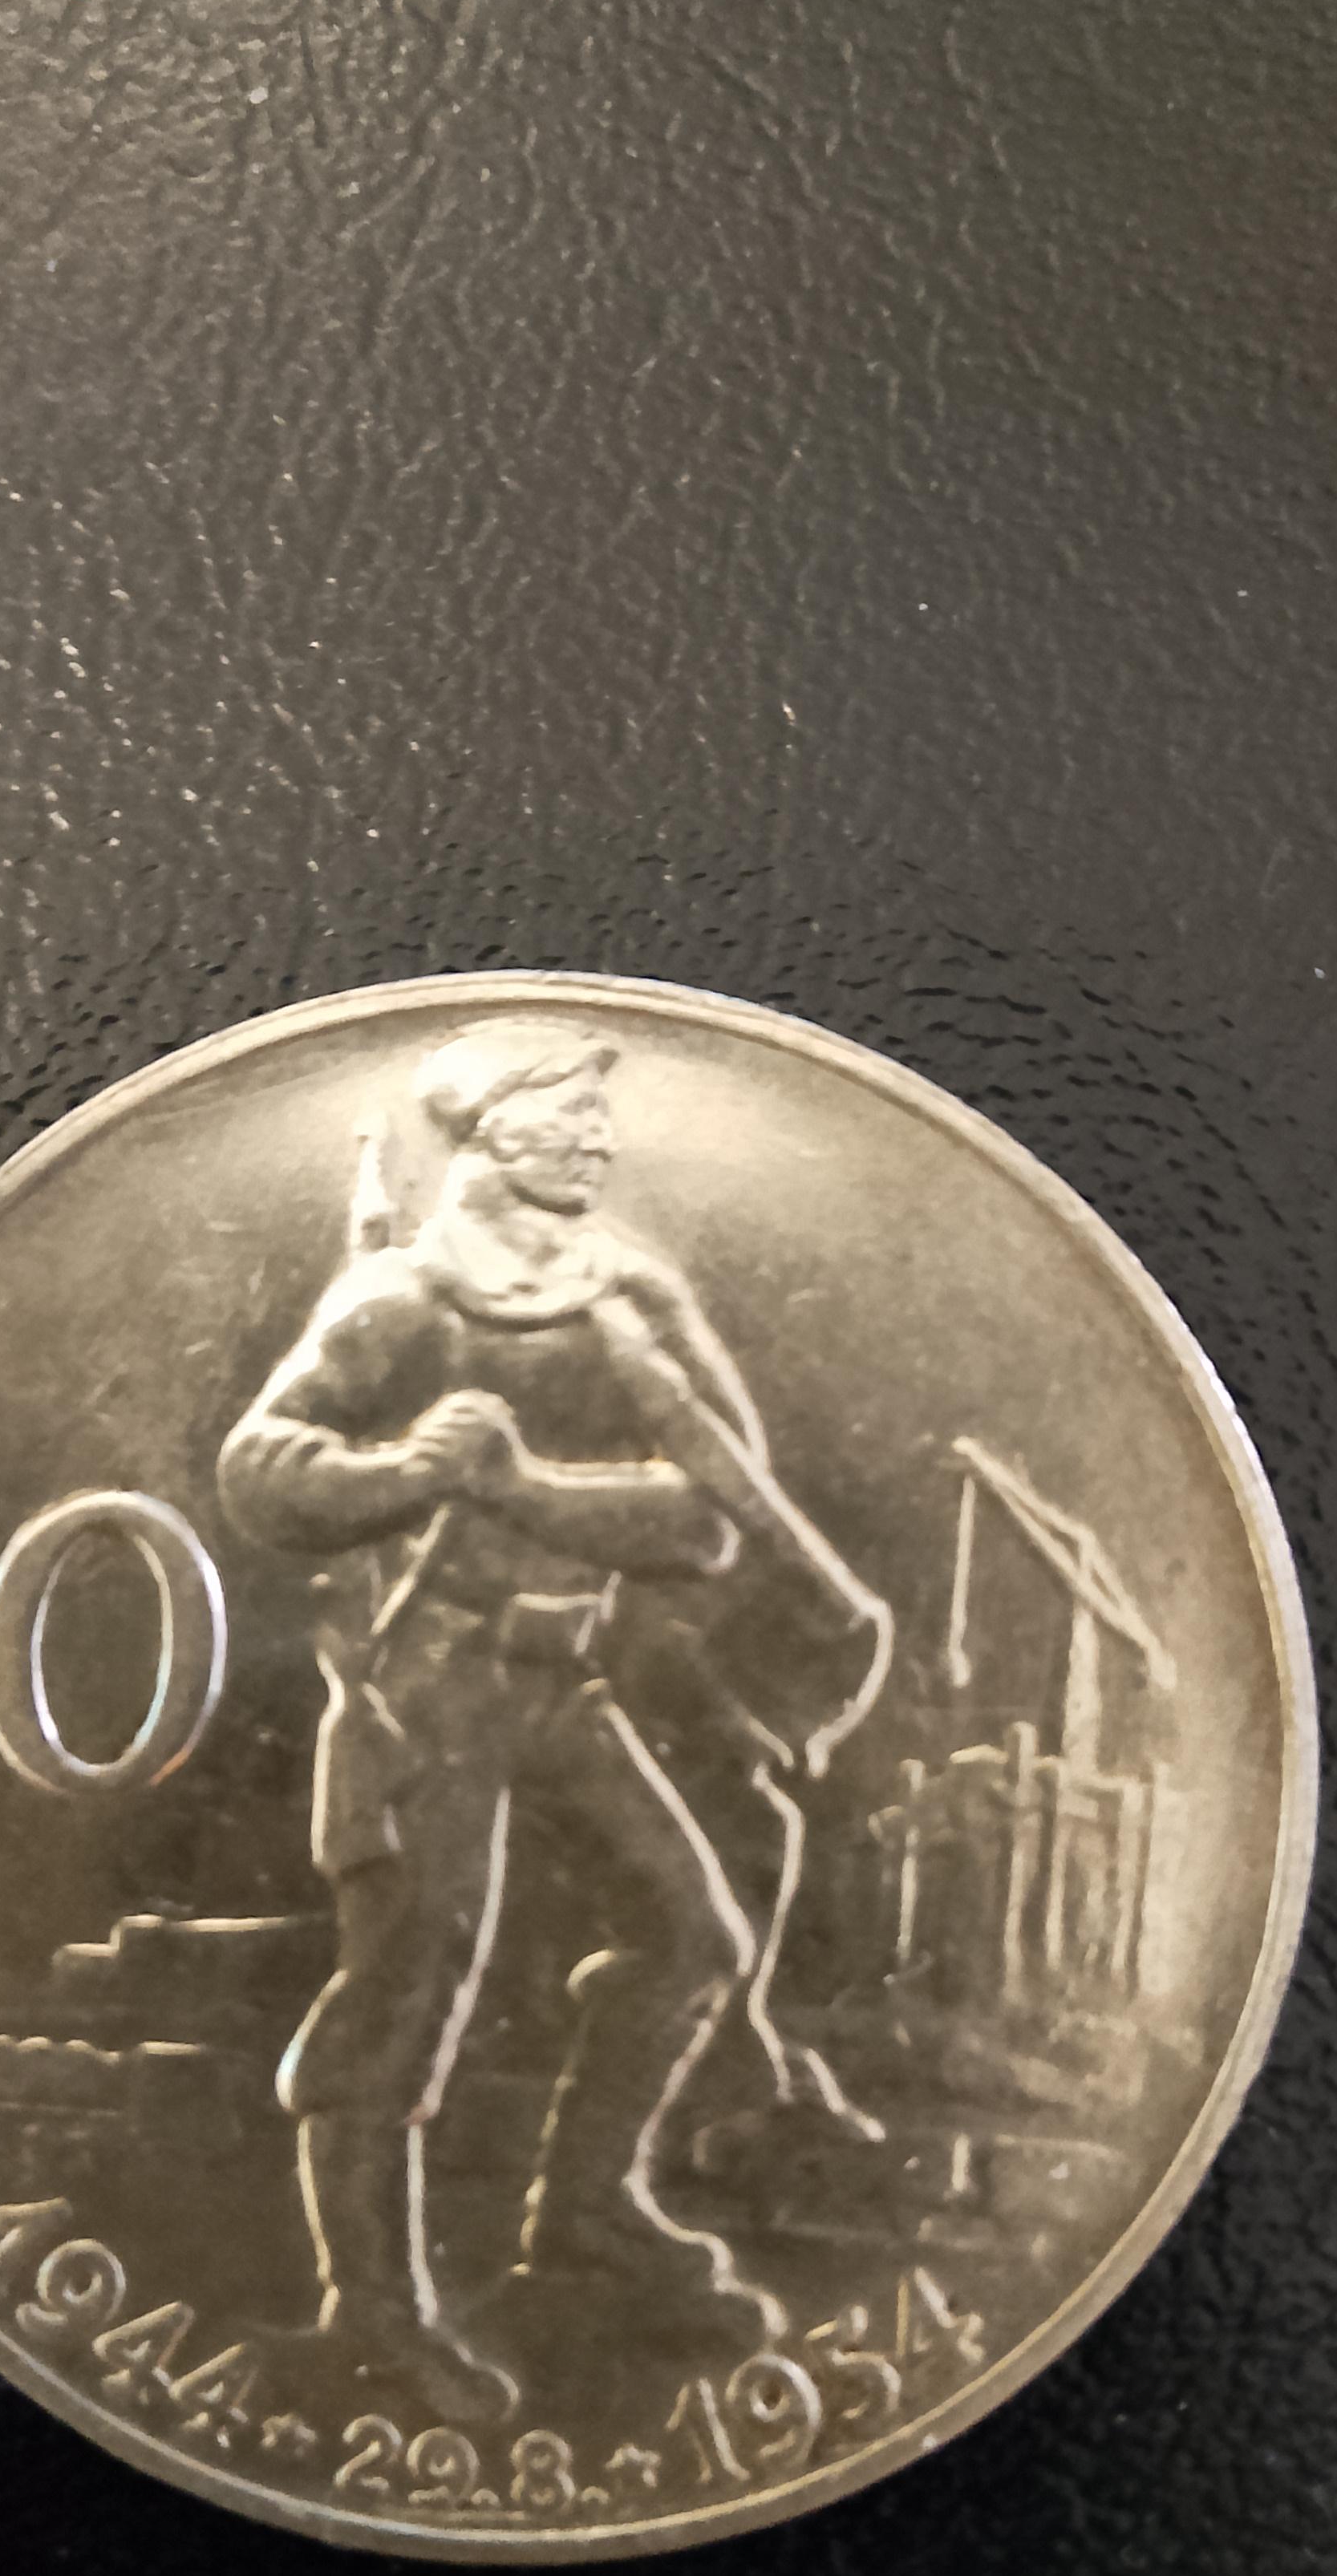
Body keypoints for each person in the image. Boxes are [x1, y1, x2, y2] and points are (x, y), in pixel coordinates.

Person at [218, 1025, 886, 2419]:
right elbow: (261, 1471)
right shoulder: (401, 1300)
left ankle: (587, 2209)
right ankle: (375, 2311)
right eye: (570, 1109)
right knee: (408, 1993)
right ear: (488, 1127)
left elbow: (707, 1523)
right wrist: (408, 1470)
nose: (600, 1134)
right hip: (427, 1688)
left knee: (694, 1939)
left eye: (600, 1111)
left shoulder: (633, 1296)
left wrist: (520, 1486)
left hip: (562, 1683)